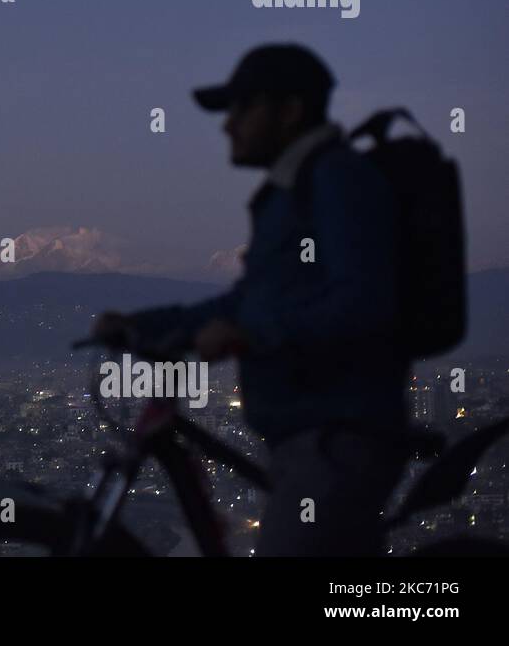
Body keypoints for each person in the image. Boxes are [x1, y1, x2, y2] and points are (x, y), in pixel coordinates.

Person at [92, 43, 411, 556]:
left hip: (337, 437)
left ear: (289, 111)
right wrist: (144, 326)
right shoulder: (290, 195)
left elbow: (365, 299)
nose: (228, 125)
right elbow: (247, 302)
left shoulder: (336, 180)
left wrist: (253, 334)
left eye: (243, 108)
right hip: (306, 437)